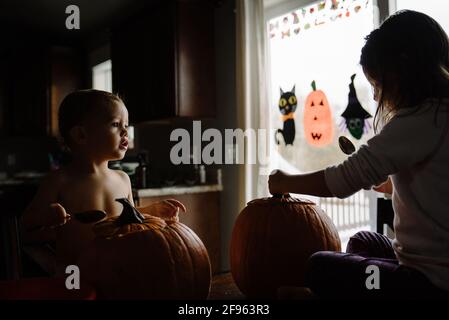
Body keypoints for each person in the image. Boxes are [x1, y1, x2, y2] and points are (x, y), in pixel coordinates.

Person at [269, 10, 449, 299]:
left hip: (427, 283)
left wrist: (284, 182)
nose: (376, 97)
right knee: (363, 241)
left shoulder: (420, 119)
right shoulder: (439, 115)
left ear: (402, 69)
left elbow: (343, 180)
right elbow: (435, 189)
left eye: (378, 85)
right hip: (421, 265)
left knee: (319, 267)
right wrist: (391, 186)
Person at [22, 89, 185, 275]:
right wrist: (46, 216)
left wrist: (150, 211)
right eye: (115, 124)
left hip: (116, 270)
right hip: (75, 273)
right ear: (81, 135)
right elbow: (25, 225)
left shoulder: (122, 179)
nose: (125, 130)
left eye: (126, 124)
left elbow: (125, 219)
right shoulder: (59, 180)